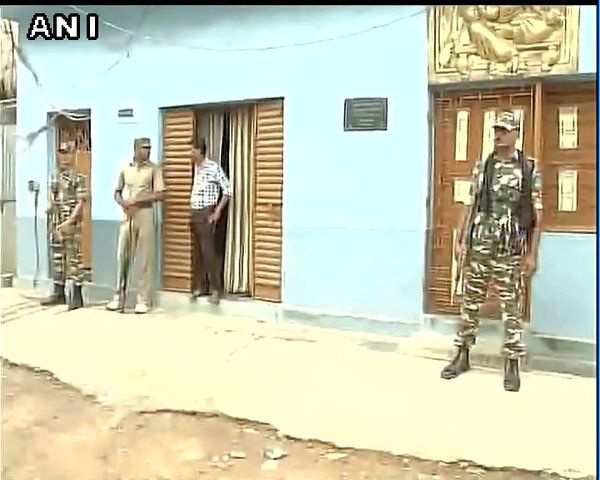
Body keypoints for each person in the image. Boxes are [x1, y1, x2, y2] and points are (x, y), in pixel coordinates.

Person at [440, 111, 543, 392]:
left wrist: (532, 254)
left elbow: (536, 215)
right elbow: (469, 204)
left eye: (504, 130)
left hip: (509, 249)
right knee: (470, 303)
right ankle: (462, 355)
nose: (498, 135)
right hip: (479, 246)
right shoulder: (484, 165)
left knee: (511, 307)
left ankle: (512, 362)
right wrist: (460, 241)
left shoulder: (529, 168)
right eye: (496, 130)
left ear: (515, 134)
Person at [106, 137, 164, 314]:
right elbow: (117, 191)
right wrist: (123, 203)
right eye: (144, 148)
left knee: (145, 258)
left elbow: (160, 194)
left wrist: (138, 199)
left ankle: (143, 299)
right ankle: (118, 296)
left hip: (145, 213)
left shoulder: (154, 169)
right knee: (123, 255)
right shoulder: (126, 168)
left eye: (149, 148)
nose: (147, 151)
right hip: (127, 214)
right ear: (136, 149)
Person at [40, 141, 88, 310]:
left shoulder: (79, 178)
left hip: (71, 224)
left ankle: (76, 296)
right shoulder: (56, 177)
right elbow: (53, 198)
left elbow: (81, 203)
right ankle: (58, 292)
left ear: (73, 155)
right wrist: (50, 210)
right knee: (57, 259)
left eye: (67, 152)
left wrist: (70, 221)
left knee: (74, 259)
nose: (63, 157)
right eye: (61, 153)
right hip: (57, 223)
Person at [189, 138, 232, 305]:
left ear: (200, 151)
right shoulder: (195, 168)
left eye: (192, 150)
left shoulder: (213, 167)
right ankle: (200, 287)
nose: (190, 154)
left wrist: (217, 212)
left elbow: (228, 189)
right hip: (195, 213)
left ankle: (216, 290)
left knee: (209, 252)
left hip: (207, 212)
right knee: (197, 253)